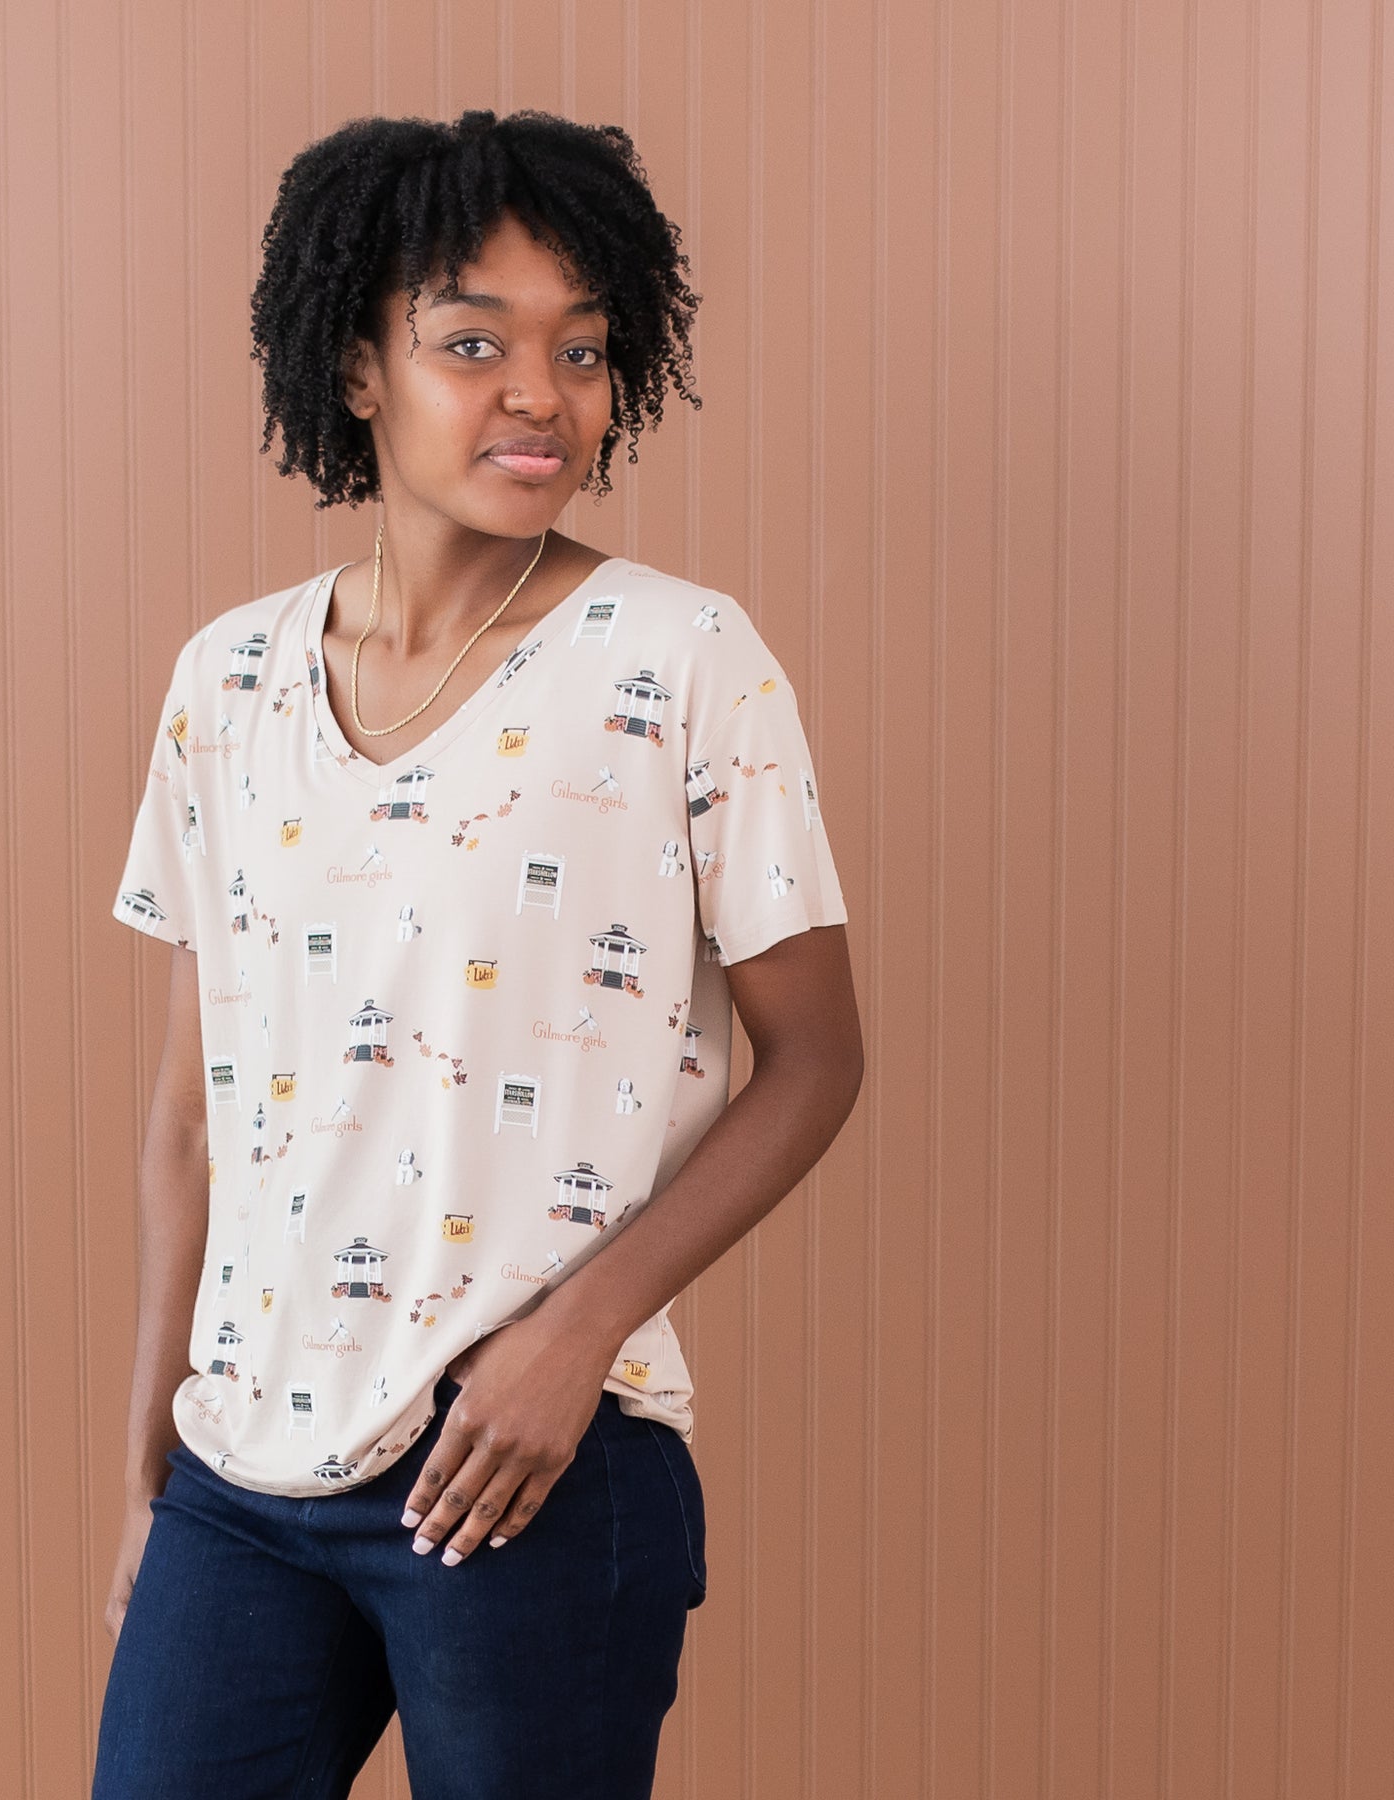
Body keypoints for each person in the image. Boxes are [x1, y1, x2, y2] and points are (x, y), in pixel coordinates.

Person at [92, 106, 863, 1800]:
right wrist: (152, 1461)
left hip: (525, 1465)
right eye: (471, 343)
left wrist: (578, 1338)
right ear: (357, 367)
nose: (542, 394)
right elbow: (192, 1116)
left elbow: (817, 1062)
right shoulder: (226, 682)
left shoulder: (684, 661)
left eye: (581, 349)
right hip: (243, 1469)